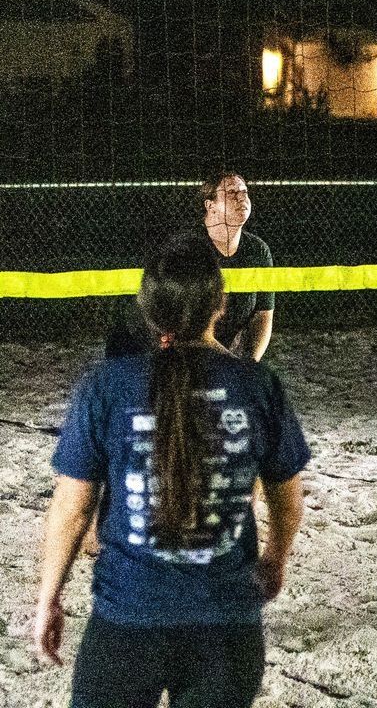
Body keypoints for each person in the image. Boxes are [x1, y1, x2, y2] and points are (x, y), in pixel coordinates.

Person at [33, 232, 310, 707]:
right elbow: (288, 501)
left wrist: (48, 601)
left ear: (147, 309)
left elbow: (72, 510)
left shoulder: (106, 386)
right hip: (226, 631)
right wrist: (275, 560)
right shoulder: (257, 386)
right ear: (220, 304)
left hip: (128, 622)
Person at [107, 172, 276, 362]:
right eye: (231, 192)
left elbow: (263, 315)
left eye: (244, 192)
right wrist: (236, 367)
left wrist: (251, 362)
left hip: (211, 351)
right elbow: (192, 331)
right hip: (152, 348)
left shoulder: (258, 250)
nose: (241, 197)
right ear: (210, 205)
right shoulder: (188, 247)